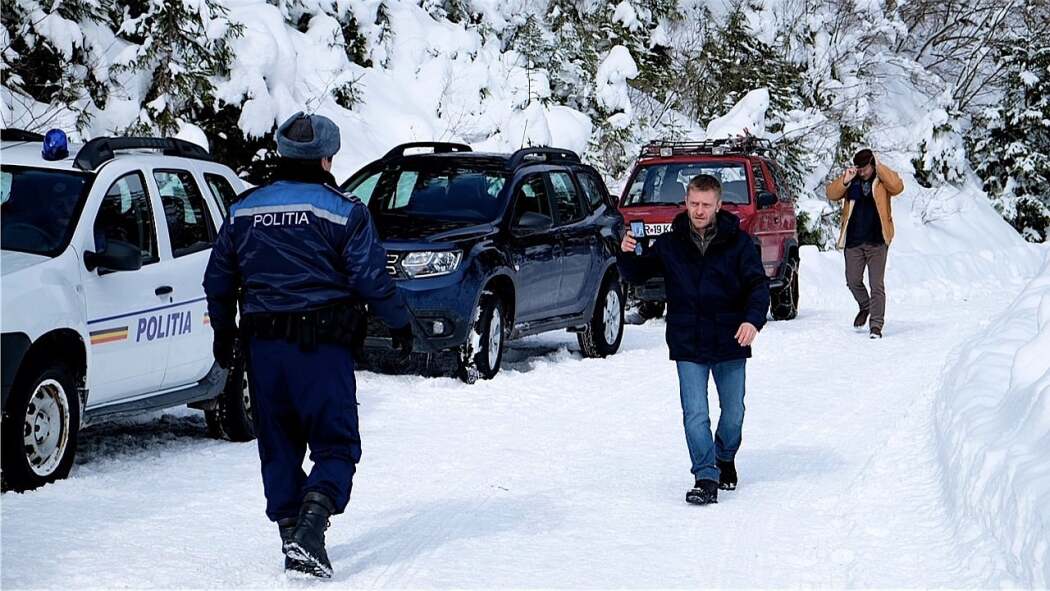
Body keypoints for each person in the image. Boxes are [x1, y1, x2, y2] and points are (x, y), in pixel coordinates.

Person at [203, 112, 414, 578]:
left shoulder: (242, 209)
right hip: (321, 350)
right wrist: (400, 324)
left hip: (263, 350)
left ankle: (291, 533)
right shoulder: (344, 210)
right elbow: (371, 278)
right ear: (325, 158)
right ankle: (311, 530)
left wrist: (223, 333)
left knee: (277, 446)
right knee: (336, 445)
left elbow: (217, 279)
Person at [619, 174, 770, 505]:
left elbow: (757, 286)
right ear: (685, 203)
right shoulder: (671, 244)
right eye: (693, 204)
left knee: (733, 414)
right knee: (695, 414)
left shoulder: (739, 243)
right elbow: (638, 273)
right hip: (687, 340)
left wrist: (752, 320)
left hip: (731, 338)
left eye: (706, 205)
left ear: (718, 205)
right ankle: (705, 475)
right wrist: (627, 253)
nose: (699, 211)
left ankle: (724, 456)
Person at [825, 148, 905, 339]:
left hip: (877, 241)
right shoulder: (851, 180)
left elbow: (898, 187)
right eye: (858, 168)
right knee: (852, 281)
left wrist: (880, 167)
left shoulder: (882, 180)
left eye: (865, 168)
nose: (861, 171)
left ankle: (876, 325)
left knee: (876, 285)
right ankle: (865, 306)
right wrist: (845, 179)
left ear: (872, 164)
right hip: (853, 241)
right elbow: (831, 193)